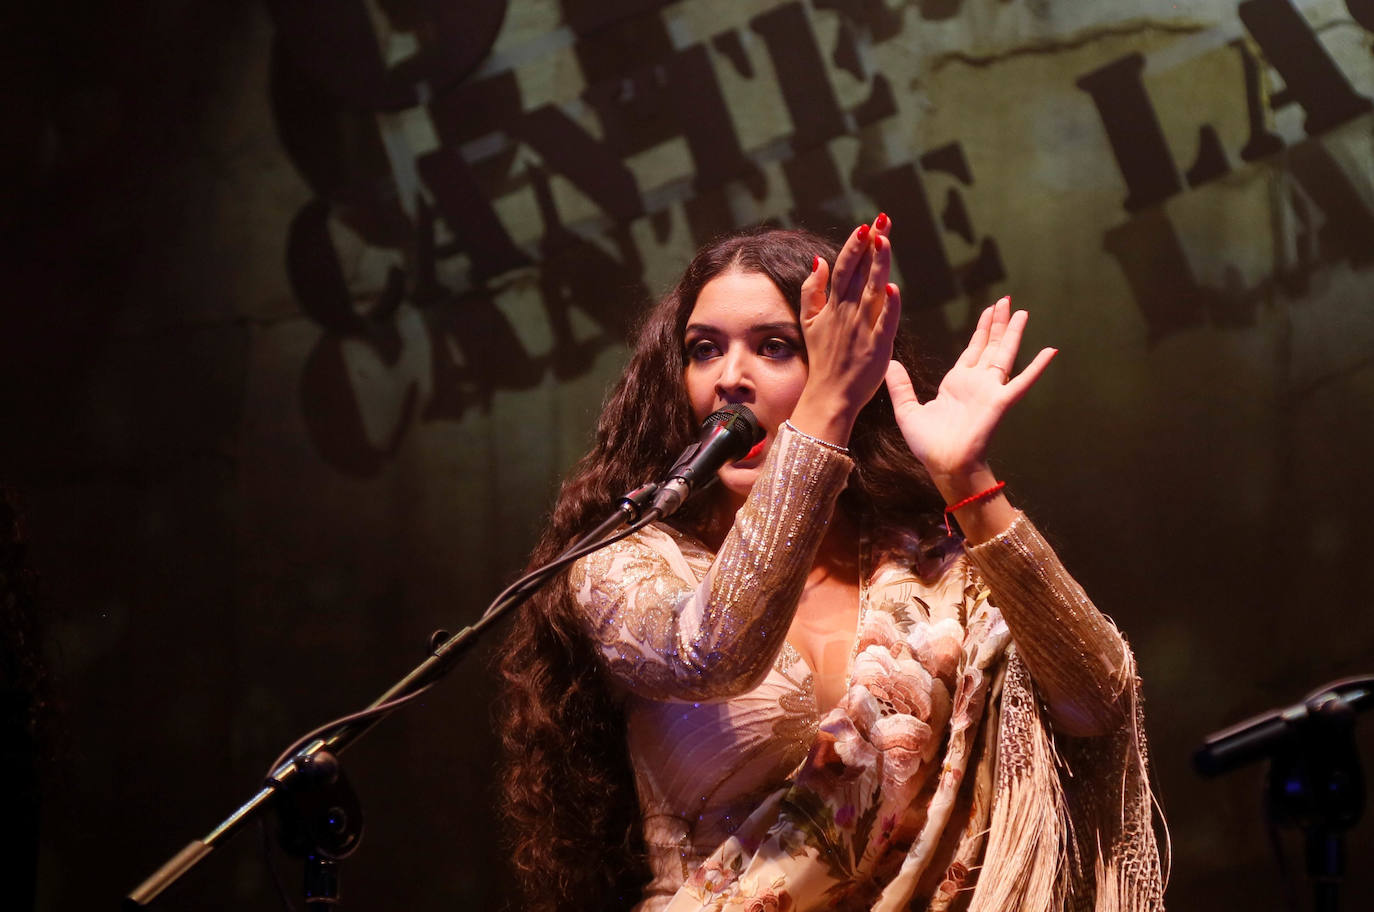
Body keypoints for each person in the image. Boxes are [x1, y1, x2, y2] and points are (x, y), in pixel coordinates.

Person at [499, 220, 1165, 912]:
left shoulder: (930, 571)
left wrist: (966, 479)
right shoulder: (629, 565)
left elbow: (1096, 704)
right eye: (703, 351)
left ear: (852, 364)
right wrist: (821, 415)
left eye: (776, 347)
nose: (731, 378)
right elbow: (710, 654)